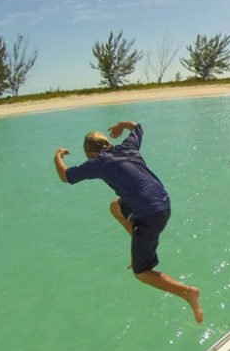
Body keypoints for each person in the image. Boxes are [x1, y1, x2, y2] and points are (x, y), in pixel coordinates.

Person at [53, 121, 203, 324]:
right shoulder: (128, 147)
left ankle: (188, 292)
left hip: (149, 216)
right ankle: (137, 246)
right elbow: (138, 127)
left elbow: (65, 177)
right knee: (116, 207)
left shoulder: (99, 162)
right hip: (163, 203)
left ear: (91, 153)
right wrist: (121, 125)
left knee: (141, 273)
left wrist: (57, 156)